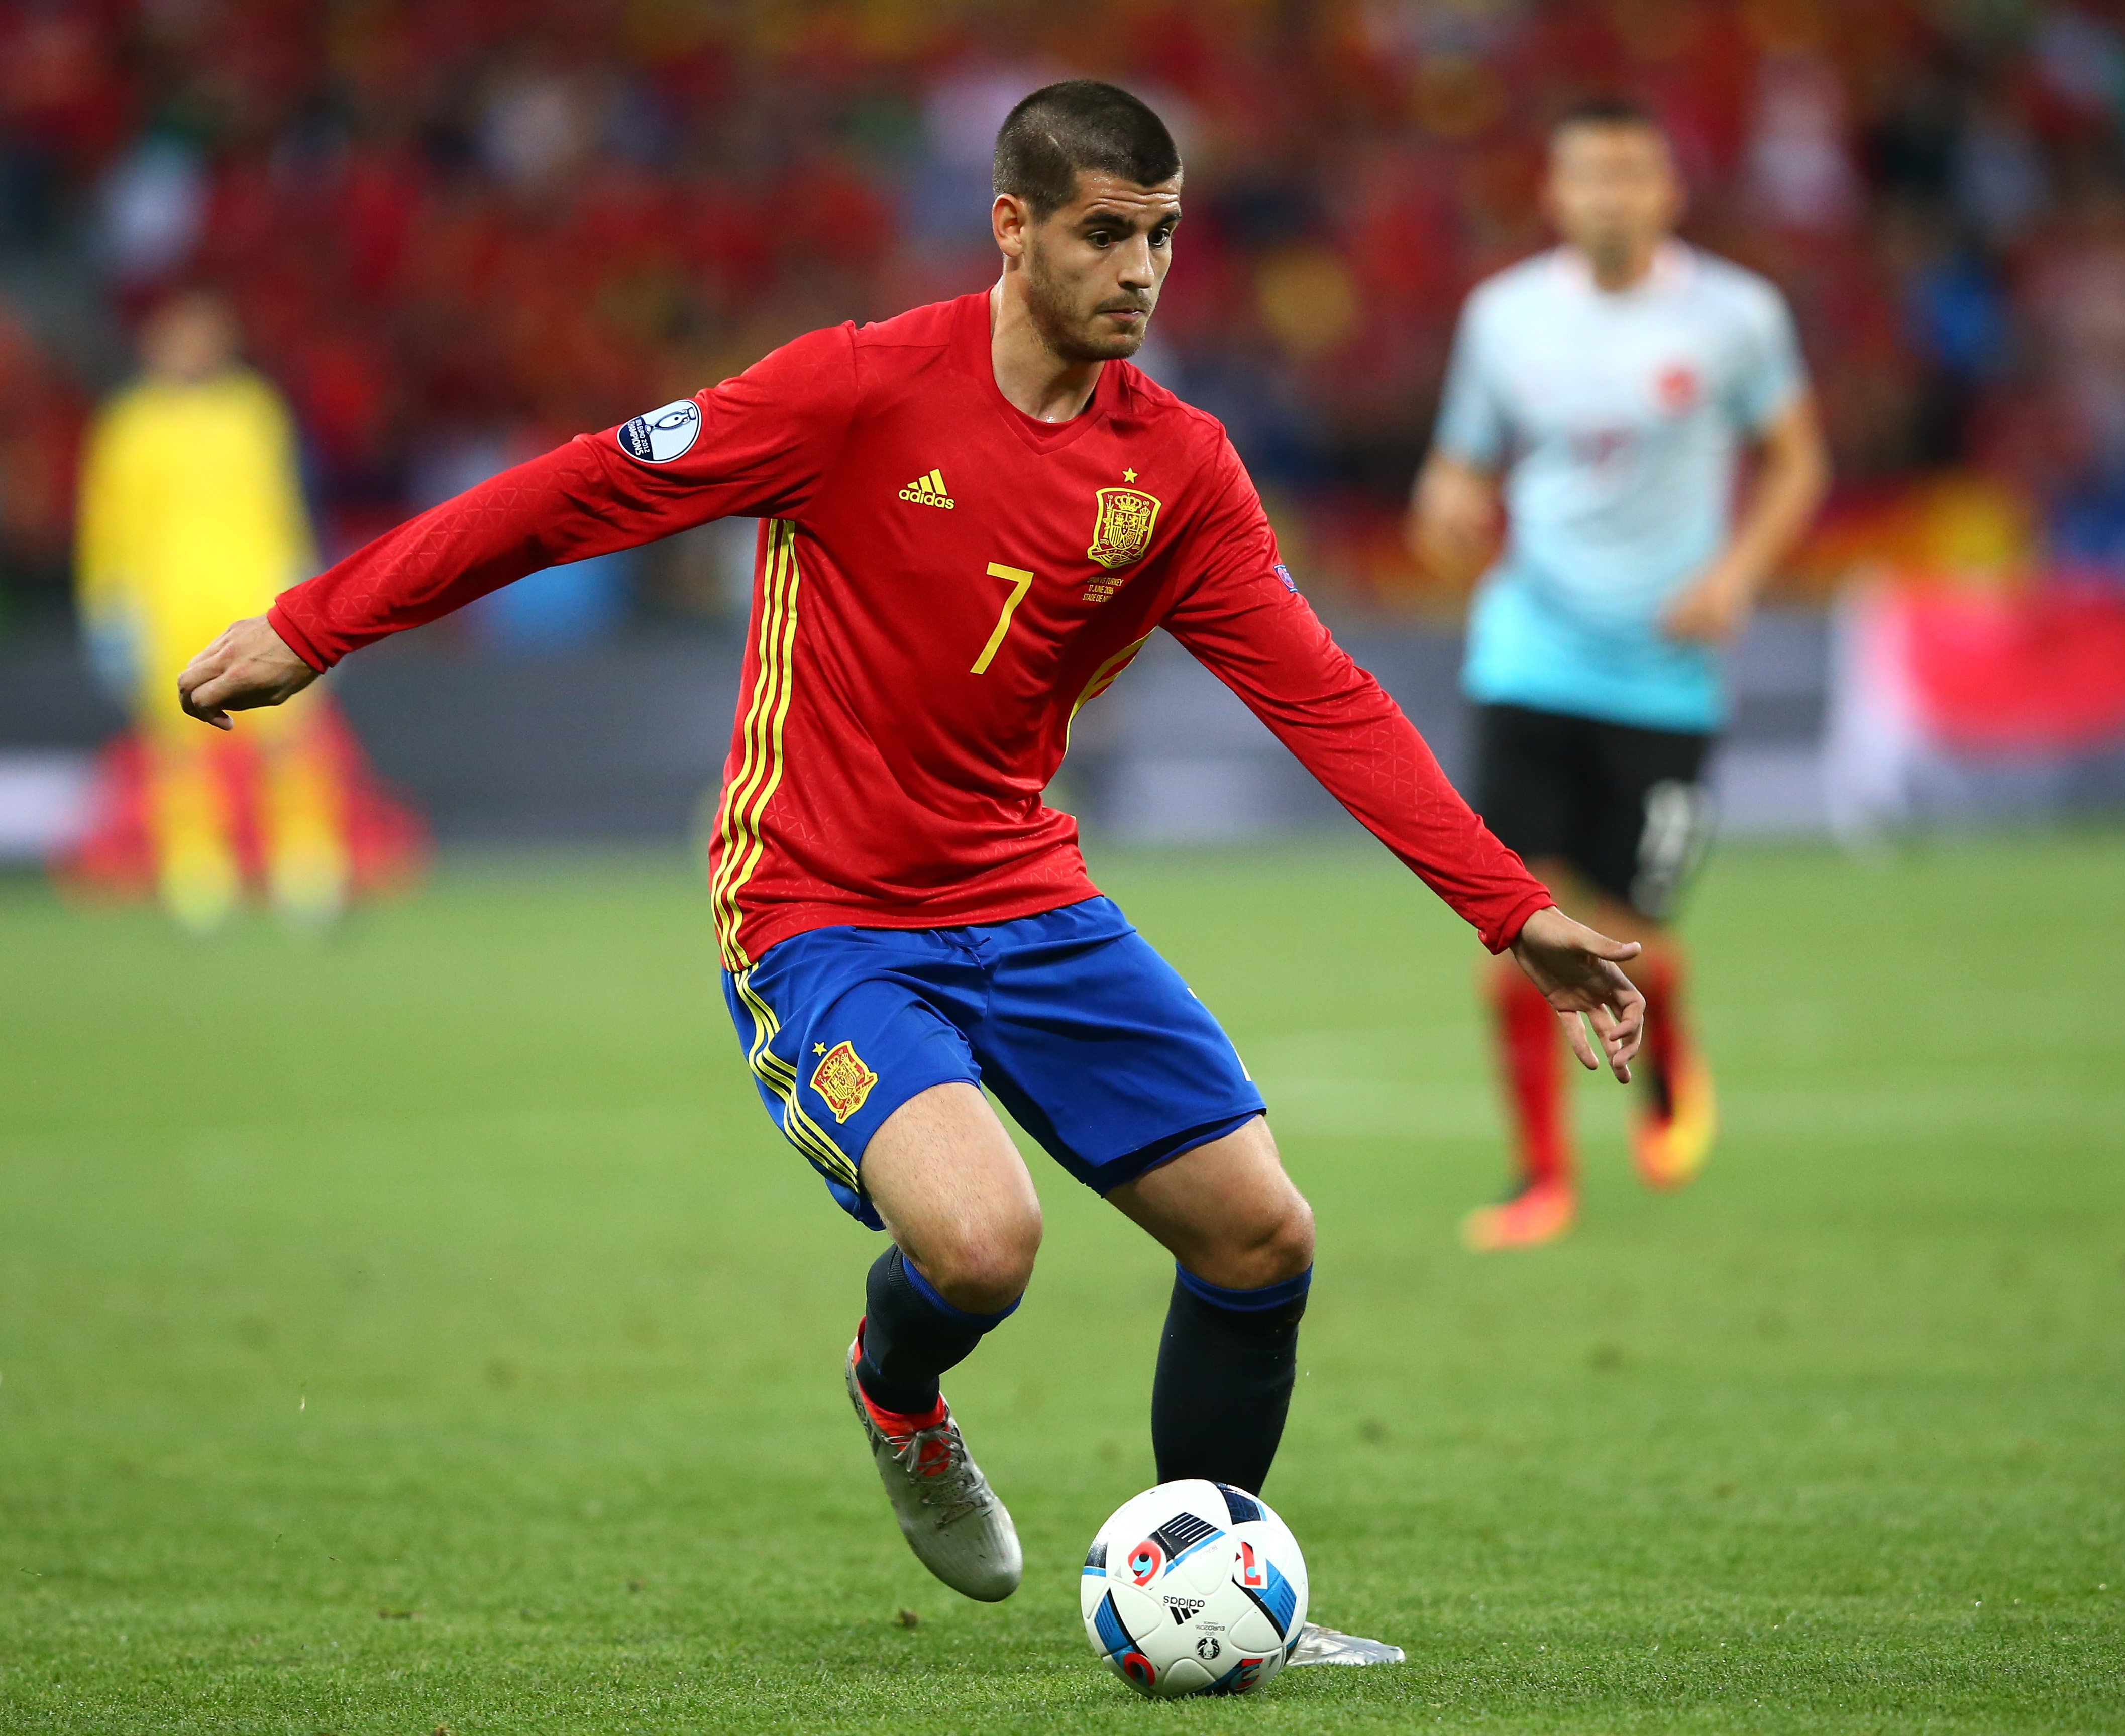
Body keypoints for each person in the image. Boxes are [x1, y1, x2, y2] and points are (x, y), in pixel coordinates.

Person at [176, 82, 1644, 1663]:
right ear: (1012, 228)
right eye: (1103, 234)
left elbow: (1325, 699)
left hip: (1026, 893)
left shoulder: (1184, 474)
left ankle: (1217, 1590)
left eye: (1160, 234)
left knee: (1261, 1235)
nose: (1141, 269)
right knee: (982, 1244)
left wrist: (1515, 912)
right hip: (820, 912)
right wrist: (318, 625)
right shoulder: (855, 394)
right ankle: (898, 1390)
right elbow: (580, 490)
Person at [1412, 97, 1829, 1250]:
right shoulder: (1502, 317)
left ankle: (1670, 1063)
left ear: (1667, 192)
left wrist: (1741, 572)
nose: (1609, 196)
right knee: (1518, 923)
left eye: (1631, 175)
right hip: (1530, 651)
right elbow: (1458, 461)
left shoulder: (1737, 316)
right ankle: (1540, 1176)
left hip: (1667, 670)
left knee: (1639, 928)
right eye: (1588, 176)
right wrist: (1446, 495)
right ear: (1555, 193)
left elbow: (1798, 458)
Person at [75, 291, 352, 931]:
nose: (192, 349)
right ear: (155, 345)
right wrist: (109, 607)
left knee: (292, 732)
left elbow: (283, 505)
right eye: (180, 336)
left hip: (254, 591)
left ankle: (307, 867)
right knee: (179, 741)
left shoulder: (253, 411)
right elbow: (107, 525)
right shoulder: (130, 424)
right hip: (166, 599)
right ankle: (197, 875)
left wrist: (307, 586)